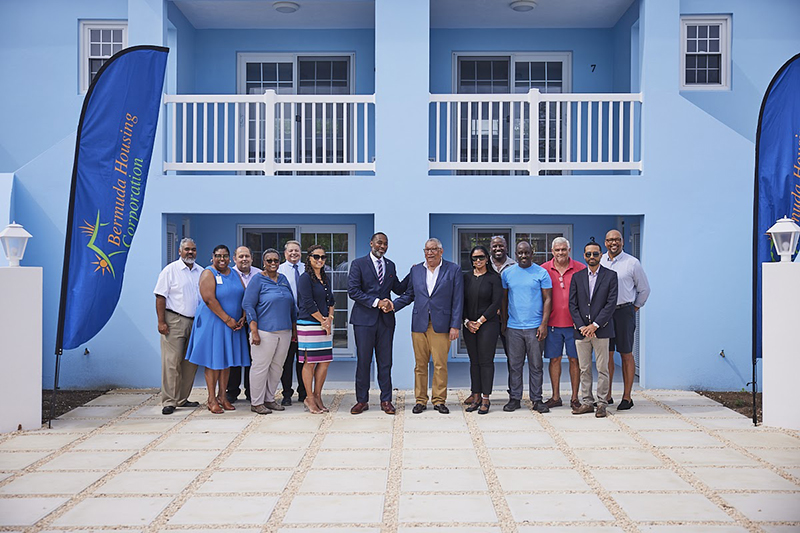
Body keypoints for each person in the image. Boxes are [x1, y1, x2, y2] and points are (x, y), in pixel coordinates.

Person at [394, 238, 463, 415]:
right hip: (419, 324)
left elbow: (458, 299)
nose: (430, 253)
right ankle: (420, 400)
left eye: (433, 249)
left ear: (441, 251)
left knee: (440, 364)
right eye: (427, 250)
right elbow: (409, 295)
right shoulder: (416, 270)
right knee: (420, 365)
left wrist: (455, 325)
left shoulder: (453, 269)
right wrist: (393, 306)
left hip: (441, 324)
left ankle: (439, 401)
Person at [347, 232, 409, 415]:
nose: (382, 246)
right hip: (364, 321)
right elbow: (353, 291)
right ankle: (362, 401)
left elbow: (398, 288)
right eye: (379, 243)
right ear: (371, 243)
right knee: (364, 362)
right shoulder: (358, 264)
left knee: (385, 362)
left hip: (385, 322)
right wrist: (376, 302)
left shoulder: (390, 265)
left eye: (385, 244)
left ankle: (386, 400)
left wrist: (412, 274)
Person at [185, 245, 250, 414]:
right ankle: (211, 399)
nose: (222, 259)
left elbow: (244, 295)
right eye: (218, 256)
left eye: (225, 256)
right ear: (212, 257)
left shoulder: (234, 273)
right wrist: (227, 319)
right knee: (214, 361)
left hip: (232, 325)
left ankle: (223, 396)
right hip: (214, 323)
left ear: (230, 258)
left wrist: (243, 315)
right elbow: (209, 300)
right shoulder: (208, 273)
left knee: (226, 361)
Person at [600, 229, 651, 410]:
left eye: (617, 240)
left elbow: (644, 289)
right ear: (605, 242)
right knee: (607, 355)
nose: (613, 243)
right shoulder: (600, 260)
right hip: (605, 314)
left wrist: (634, 307)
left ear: (622, 242)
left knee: (626, 353)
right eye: (610, 240)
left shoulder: (632, 263)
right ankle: (607, 395)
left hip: (624, 312)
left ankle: (627, 397)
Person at [242, 249, 297, 415]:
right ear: (263, 262)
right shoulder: (257, 280)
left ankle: (269, 399)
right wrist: (254, 330)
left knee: (277, 367)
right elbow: (248, 304)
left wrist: (294, 329)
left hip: (285, 331)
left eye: (276, 260)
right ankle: (256, 402)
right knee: (260, 367)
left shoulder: (283, 279)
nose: (273, 263)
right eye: (269, 260)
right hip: (264, 331)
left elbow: (292, 306)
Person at [569, 240, 619, 418]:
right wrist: (582, 326)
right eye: (588, 254)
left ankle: (602, 403)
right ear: (584, 256)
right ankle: (587, 402)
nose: (592, 257)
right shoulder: (577, 277)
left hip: (601, 330)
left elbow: (610, 304)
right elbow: (572, 304)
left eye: (595, 254)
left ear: (601, 255)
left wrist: (595, 325)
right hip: (581, 331)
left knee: (602, 368)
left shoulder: (611, 276)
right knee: (584, 368)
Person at [501, 241, 552, 413]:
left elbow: (548, 299)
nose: (524, 256)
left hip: (535, 327)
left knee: (536, 365)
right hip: (513, 327)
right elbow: (504, 299)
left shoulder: (541, 273)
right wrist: (504, 323)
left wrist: (543, 324)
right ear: (516, 254)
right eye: (520, 253)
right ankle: (515, 398)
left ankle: (537, 399)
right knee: (514, 365)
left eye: (527, 252)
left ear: (532, 253)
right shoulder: (507, 273)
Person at [154, 238, 203, 415]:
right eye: (187, 249)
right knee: (171, 362)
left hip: (195, 322)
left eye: (193, 249)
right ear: (179, 251)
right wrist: (161, 322)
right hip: (174, 320)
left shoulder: (201, 271)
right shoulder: (170, 270)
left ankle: (182, 398)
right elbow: (160, 297)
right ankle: (169, 401)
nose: (190, 252)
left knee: (190, 363)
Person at [541, 237, 585, 410]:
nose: (560, 252)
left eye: (563, 249)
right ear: (552, 251)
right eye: (557, 250)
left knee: (575, 360)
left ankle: (574, 398)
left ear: (569, 250)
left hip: (574, 325)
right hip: (552, 324)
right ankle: (555, 397)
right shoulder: (544, 269)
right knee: (554, 360)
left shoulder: (580, 268)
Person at [462, 245, 502, 414]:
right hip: (469, 325)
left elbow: (496, 303)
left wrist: (479, 322)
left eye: (481, 257)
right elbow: (460, 301)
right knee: (474, 361)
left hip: (488, 325)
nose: (478, 260)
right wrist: (466, 321)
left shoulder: (494, 278)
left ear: (487, 259)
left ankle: (486, 398)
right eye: (474, 258)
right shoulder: (466, 278)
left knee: (486, 361)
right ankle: (476, 395)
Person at [296, 244, 336, 414]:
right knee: (310, 362)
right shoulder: (305, 278)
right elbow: (308, 303)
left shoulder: (325, 278)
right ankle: (309, 397)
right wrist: (323, 321)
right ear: (309, 258)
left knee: (325, 361)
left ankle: (318, 395)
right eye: (316, 256)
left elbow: (331, 300)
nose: (320, 260)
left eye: (323, 257)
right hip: (308, 324)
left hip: (324, 323)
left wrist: (329, 319)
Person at [226, 246, 258, 404]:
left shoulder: (259, 274)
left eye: (247, 256)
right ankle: (232, 391)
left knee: (253, 358)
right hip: (234, 322)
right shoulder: (228, 274)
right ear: (234, 259)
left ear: (252, 258)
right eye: (241, 256)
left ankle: (252, 391)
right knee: (235, 357)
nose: (244, 259)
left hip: (254, 322)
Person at [277, 240, 306, 406]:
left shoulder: (307, 268)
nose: (294, 253)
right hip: (286, 320)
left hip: (305, 319)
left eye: (296, 250)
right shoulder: (279, 270)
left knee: (303, 360)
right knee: (286, 360)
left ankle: (303, 392)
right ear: (285, 253)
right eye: (291, 251)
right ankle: (286, 393)